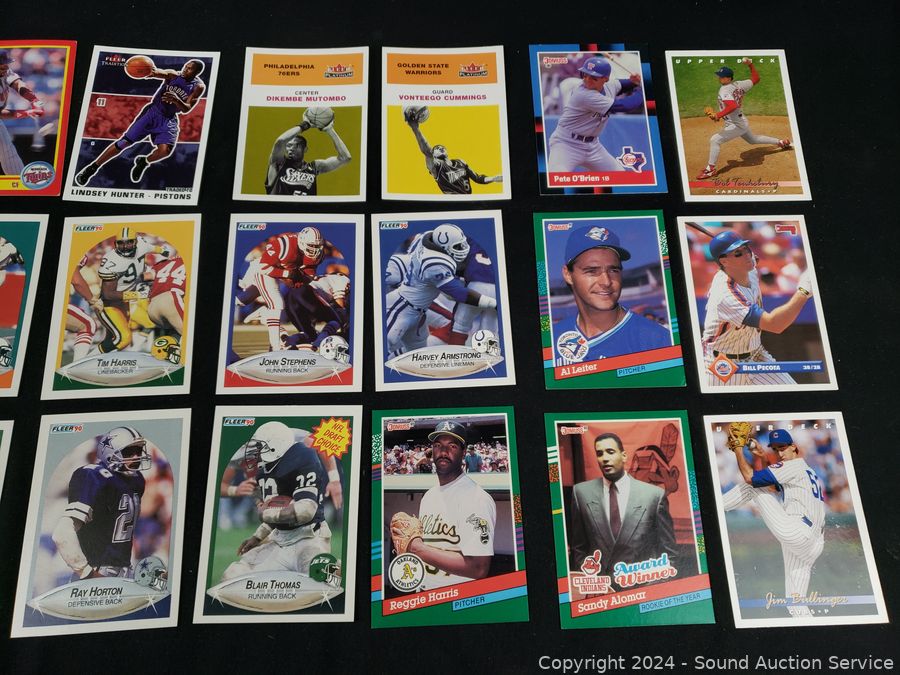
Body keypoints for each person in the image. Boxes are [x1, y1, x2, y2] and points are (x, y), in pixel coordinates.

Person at [721, 428, 825, 617]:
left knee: (751, 487)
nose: (780, 453)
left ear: (794, 447)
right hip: (813, 544)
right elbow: (770, 486)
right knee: (795, 605)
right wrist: (761, 456)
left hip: (798, 532)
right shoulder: (806, 470)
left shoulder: (793, 467)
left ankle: (711, 508)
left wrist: (738, 449)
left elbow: (751, 479)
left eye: (783, 448)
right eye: (776, 449)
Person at [221, 421, 333, 581]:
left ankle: (336, 569)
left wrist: (265, 514)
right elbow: (278, 509)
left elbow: (305, 510)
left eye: (260, 447)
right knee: (232, 577)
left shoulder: (302, 456)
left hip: (309, 536)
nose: (255, 452)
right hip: (280, 539)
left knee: (320, 581)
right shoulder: (264, 470)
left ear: (276, 446)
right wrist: (258, 536)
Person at [700, 229, 813, 386]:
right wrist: (804, 292)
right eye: (738, 253)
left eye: (746, 248)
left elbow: (752, 257)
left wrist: (737, 250)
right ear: (724, 262)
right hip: (722, 363)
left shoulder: (748, 267)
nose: (747, 255)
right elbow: (775, 325)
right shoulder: (725, 295)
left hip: (757, 355)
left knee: (795, 395)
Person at [394, 421, 496, 589]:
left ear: (463, 452)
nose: (443, 452)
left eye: (452, 446)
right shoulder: (428, 497)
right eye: (438, 445)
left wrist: (416, 548)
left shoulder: (477, 498)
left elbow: (478, 568)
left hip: (457, 599)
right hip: (424, 593)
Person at [74, 58, 206, 186]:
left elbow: (187, 108)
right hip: (152, 112)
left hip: (168, 118)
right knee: (124, 142)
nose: (185, 69)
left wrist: (176, 100)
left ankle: (143, 161)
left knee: (165, 151)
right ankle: (92, 168)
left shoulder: (198, 87)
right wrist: (149, 72)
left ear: (196, 73)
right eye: (186, 66)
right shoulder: (173, 75)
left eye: (190, 69)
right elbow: (159, 72)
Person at [554, 224, 671, 366]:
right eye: (591, 271)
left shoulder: (657, 340)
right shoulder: (552, 339)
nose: (606, 281)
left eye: (613, 270)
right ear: (568, 275)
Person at [568, 432, 677, 582]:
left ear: (624, 456)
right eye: (599, 454)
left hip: (641, 588)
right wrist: (590, 584)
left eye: (610, 452)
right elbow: (579, 549)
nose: (605, 458)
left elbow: (669, 555)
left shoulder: (654, 496)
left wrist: (651, 589)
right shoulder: (581, 493)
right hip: (599, 591)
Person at [51, 427, 152, 580]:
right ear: (110, 453)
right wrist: (86, 573)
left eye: (138, 451)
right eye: (129, 452)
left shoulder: (136, 480)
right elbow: (62, 533)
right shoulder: (93, 476)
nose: (136, 456)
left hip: (125, 571)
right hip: (98, 571)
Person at [383, 224, 496, 358]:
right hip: (402, 306)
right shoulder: (433, 262)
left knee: (417, 355)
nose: (463, 249)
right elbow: (457, 292)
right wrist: (492, 302)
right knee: (385, 343)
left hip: (419, 312)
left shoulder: (427, 242)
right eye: (457, 246)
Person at [696, 59, 791, 179]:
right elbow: (756, 79)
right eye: (719, 76)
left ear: (728, 78)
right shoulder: (739, 84)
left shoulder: (724, 89)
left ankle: (710, 170)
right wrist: (750, 64)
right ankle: (781, 142)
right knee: (753, 140)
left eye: (722, 77)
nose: (719, 78)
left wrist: (718, 115)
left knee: (715, 140)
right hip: (740, 121)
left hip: (736, 124)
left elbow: (732, 106)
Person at [547, 56, 643, 174]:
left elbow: (624, 84)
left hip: (592, 146)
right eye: (585, 75)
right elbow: (625, 106)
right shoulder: (583, 94)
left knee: (621, 177)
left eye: (593, 77)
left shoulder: (609, 85)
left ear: (605, 79)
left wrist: (635, 81)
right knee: (558, 179)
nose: (587, 80)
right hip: (566, 144)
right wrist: (641, 91)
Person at [404, 109, 502, 194]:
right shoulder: (437, 167)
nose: (439, 148)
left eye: (441, 147)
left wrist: (493, 178)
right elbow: (427, 152)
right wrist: (415, 128)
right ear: (434, 155)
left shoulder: (460, 162)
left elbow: (478, 178)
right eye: (436, 148)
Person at [265, 114, 351, 195]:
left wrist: (329, 129)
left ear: (305, 149)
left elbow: (345, 157)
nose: (291, 149)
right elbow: (280, 141)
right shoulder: (278, 164)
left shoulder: (313, 167)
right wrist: (305, 124)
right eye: (288, 145)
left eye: (296, 145)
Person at [0, 50, 45, 176]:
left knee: (8, 152)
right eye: (2, 65)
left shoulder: (4, 70)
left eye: (6, 64)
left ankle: (19, 182)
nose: (5, 67)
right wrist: (26, 112)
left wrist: (34, 100)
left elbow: (18, 83)